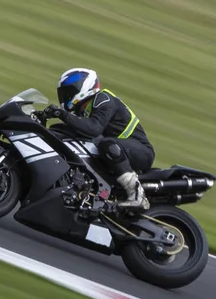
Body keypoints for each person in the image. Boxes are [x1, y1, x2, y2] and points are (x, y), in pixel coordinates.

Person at [44, 68, 154, 210]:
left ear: (83, 87)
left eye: (68, 91)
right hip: (121, 151)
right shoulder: (84, 109)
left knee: (107, 144)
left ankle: (137, 196)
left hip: (140, 151)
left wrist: (62, 114)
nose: (65, 96)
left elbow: (93, 129)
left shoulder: (103, 99)